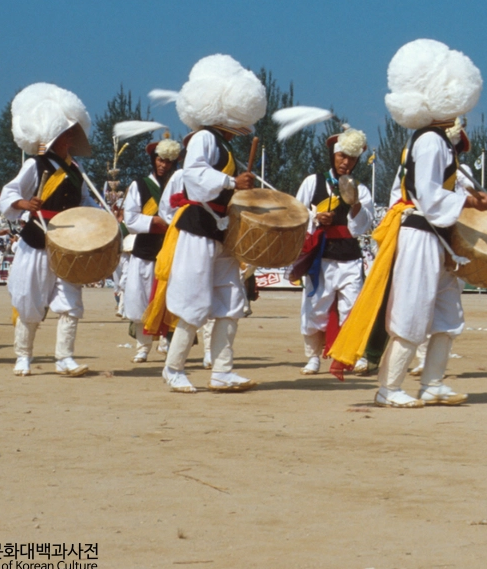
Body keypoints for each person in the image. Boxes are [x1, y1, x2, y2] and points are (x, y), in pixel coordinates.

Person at [328, 38, 487, 407]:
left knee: (448, 312)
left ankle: (432, 383)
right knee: (412, 309)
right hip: (421, 232)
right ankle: (389, 388)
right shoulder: (430, 142)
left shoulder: (439, 142)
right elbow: (428, 195)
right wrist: (467, 199)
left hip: (437, 234)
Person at [144, 54, 266, 393]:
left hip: (220, 231)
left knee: (230, 299)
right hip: (198, 228)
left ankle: (223, 370)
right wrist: (231, 184)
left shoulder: (222, 143)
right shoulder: (204, 137)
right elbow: (195, 176)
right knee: (194, 300)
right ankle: (173, 368)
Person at [0, 83, 100, 378]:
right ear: (53, 135)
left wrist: (100, 217)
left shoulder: (77, 170)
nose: (70, 136)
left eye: (72, 132)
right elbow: (9, 192)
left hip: (67, 239)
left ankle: (64, 358)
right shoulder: (35, 164)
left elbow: (86, 201)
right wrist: (24, 203)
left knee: (71, 302)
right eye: (65, 131)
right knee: (29, 300)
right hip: (38, 238)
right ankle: (23, 356)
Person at [293, 126, 375, 375]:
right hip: (321, 257)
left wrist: (355, 205)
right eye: (342, 156)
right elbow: (297, 213)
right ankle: (314, 356)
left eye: (351, 158)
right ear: (333, 155)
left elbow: (362, 226)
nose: (346, 162)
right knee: (316, 309)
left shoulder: (361, 189)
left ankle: (353, 354)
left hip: (349, 257)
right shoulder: (314, 182)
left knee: (351, 308)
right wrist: (316, 218)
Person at [120, 134, 181, 362]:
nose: (163, 165)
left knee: (170, 299)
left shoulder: (181, 185)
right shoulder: (140, 185)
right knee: (141, 299)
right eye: (160, 160)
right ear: (153, 160)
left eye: (168, 161)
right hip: (146, 250)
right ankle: (142, 347)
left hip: (173, 250)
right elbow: (131, 220)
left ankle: (167, 344)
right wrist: (154, 222)